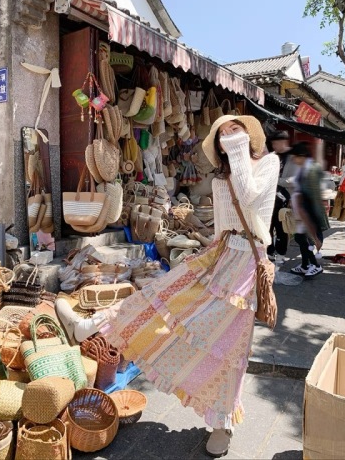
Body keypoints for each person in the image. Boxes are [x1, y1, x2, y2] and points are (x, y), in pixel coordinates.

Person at [55, 115, 279, 458]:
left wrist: (236, 150)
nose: (229, 137)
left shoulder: (268, 164)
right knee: (160, 297)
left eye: (235, 130)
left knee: (228, 344)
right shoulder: (222, 178)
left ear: (249, 134)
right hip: (219, 256)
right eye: (222, 135)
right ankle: (94, 324)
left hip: (246, 266)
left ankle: (223, 423)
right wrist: (201, 242)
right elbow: (223, 226)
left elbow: (250, 199)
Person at [289, 141, 330, 277]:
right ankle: (306, 264)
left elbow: (313, 196)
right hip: (301, 211)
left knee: (308, 240)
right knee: (300, 239)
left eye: (295, 157)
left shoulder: (312, 169)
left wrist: (313, 220)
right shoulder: (303, 168)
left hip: (309, 212)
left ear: (301, 156)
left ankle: (315, 265)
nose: (293, 160)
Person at [266, 131, 296, 263]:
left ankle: (281, 253)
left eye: (275, 143)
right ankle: (269, 251)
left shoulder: (294, 156)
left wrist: (277, 180)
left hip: (286, 197)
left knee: (282, 226)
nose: (273, 146)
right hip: (269, 196)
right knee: (268, 224)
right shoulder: (271, 156)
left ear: (283, 141)